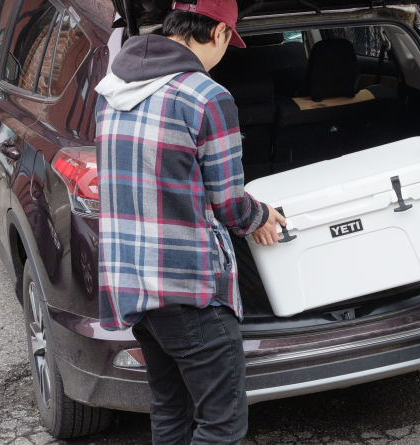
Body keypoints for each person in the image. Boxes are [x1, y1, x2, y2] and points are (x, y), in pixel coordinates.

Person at [94, 0, 285, 443]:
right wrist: (261, 215)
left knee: (170, 412)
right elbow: (229, 203)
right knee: (222, 426)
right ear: (218, 33)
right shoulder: (207, 97)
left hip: (137, 290)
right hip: (190, 291)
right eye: (229, 42)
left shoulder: (112, 89)